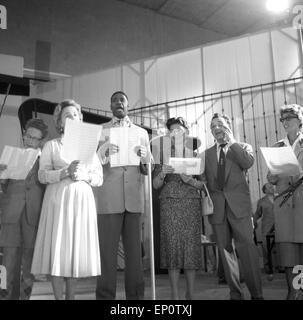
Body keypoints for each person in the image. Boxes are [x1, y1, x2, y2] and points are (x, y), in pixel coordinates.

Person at [31, 99, 103, 300]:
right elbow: (42, 175)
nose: (74, 118)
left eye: (76, 115)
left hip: (82, 204)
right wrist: (64, 172)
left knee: (74, 253)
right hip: (58, 203)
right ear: (60, 122)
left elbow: (99, 178)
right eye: (68, 115)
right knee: (58, 251)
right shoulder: (51, 146)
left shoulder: (90, 148)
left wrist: (84, 176)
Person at [95, 91, 151, 300]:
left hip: (134, 199)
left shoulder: (141, 133)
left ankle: (135, 300)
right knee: (106, 254)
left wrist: (146, 158)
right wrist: (102, 152)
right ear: (110, 106)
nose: (119, 103)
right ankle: (105, 297)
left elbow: (148, 167)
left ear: (128, 106)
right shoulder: (100, 131)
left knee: (135, 255)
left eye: (122, 100)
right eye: (115, 100)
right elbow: (91, 164)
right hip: (108, 199)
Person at [201, 113, 263, 300]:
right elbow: (204, 181)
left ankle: (257, 294)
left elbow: (248, 162)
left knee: (247, 250)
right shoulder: (206, 154)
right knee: (226, 254)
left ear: (228, 126)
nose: (216, 127)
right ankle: (235, 294)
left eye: (220, 124)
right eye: (213, 125)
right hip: (218, 211)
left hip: (240, 208)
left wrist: (232, 141)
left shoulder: (242, 147)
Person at [152, 117, 204, 300]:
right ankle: (174, 296)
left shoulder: (196, 155)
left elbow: (203, 185)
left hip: (190, 202)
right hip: (169, 203)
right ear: (169, 135)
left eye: (180, 130)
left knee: (190, 249)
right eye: (172, 131)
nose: (176, 134)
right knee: (172, 249)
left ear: (186, 132)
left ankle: (191, 295)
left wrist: (188, 179)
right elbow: (156, 184)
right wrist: (163, 173)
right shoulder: (162, 155)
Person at [0, 118, 48, 300]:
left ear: (41, 141)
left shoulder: (45, 160)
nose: (30, 141)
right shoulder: (10, 156)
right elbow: (3, 187)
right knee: (7, 262)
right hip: (11, 214)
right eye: (28, 136)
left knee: (29, 263)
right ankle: (3, 296)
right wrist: (1, 176)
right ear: (24, 136)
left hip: (33, 215)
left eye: (35, 138)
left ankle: (24, 297)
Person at [267, 104, 303, 300]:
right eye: (283, 119)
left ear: (299, 120)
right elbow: (270, 178)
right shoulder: (277, 147)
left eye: (290, 117)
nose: (286, 122)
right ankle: (293, 292)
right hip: (284, 204)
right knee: (289, 251)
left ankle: (299, 289)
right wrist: (272, 177)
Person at [253, 182, 275, 279]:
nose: (272, 188)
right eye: (269, 187)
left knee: (279, 246)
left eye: (272, 186)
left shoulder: (279, 198)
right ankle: (268, 267)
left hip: (279, 226)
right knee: (266, 247)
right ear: (265, 190)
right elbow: (258, 214)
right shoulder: (261, 201)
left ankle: (281, 266)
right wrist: (252, 222)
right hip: (266, 226)